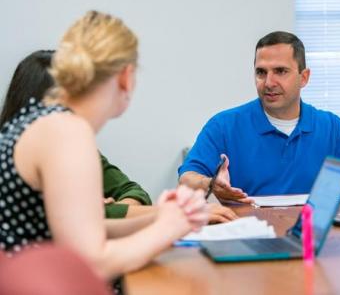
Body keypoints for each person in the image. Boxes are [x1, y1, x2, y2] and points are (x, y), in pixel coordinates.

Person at [0, 10, 208, 287]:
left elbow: (86, 233)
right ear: (126, 76)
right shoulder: (68, 131)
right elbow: (91, 264)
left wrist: (160, 217)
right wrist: (169, 227)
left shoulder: (39, 119)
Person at [0, 50, 237, 223]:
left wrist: (113, 209)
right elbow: (82, 219)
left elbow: (135, 192)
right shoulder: (20, 154)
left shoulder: (76, 149)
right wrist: (175, 215)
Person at [178, 31, 340, 203]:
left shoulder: (331, 127)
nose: (269, 82)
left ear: (304, 77)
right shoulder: (224, 125)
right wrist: (211, 184)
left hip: (311, 237)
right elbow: (187, 178)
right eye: (261, 72)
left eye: (280, 71)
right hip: (248, 234)